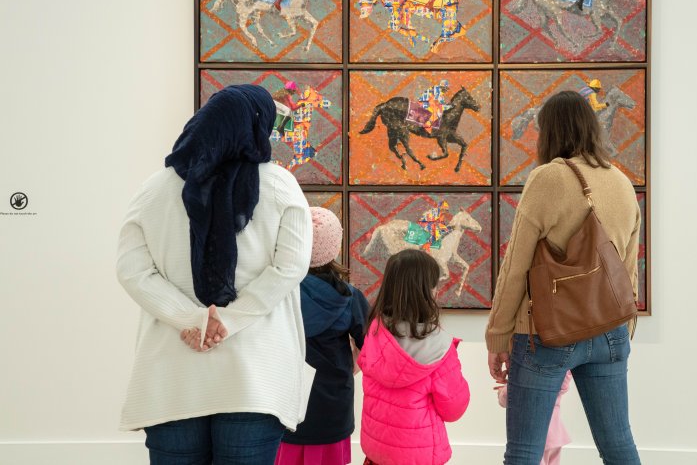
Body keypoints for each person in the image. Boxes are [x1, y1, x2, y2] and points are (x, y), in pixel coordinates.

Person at [116, 84, 313, 464]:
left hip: (171, 378)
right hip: (255, 377)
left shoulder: (154, 189)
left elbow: (132, 270)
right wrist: (226, 321)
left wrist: (191, 318)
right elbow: (290, 267)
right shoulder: (280, 185)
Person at [485, 90, 641, 464]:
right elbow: (628, 268)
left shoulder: (549, 178)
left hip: (547, 333)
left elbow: (516, 266)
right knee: (618, 446)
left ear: (549, 132)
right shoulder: (621, 181)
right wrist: (622, 330)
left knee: (524, 451)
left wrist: (498, 334)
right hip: (610, 330)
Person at [275, 207, 370, 465]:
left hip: (283, 404)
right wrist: (351, 365)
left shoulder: (276, 294)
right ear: (334, 246)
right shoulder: (350, 297)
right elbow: (370, 351)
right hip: (332, 406)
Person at [359, 249, 470, 465]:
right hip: (420, 456)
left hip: (376, 453)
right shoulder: (439, 347)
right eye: (435, 284)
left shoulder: (374, 332)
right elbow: (454, 409)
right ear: (426, 291)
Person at [496, 372, 573, 465]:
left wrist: (502, 391)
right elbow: (565, 380)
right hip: (556, 435)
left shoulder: (528, 377)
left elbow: (508, 398)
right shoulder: (556, 381)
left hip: (534, 436)